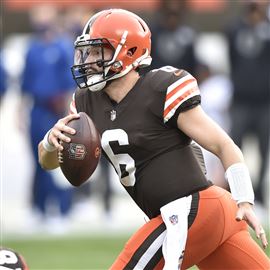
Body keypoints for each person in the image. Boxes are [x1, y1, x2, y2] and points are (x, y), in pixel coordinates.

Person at [38, 9, 269, 269]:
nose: (88, 60)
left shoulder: (160, 88)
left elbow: (223, 145)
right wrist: (50, 141)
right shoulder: (84, 102)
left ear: (128, 52)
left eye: (97, 51)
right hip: (185, 216)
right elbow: (47, 162)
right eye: (86, 51)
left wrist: (245, 199)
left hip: (194, 209)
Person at [21, 5, 75, 230]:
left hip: (56, 110)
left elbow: (68, 82)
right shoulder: (32, 48)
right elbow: (26, 83)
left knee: (60, 159)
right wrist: (20, 112)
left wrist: (67, 112)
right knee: (38, 158)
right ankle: (39, 208)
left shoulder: (62, 46)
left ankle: (62, 210)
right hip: (37, 108)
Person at [225, 1, 270, 206]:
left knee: (263, 149)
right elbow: (232, 59)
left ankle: (260, 194)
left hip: (264, 102)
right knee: (234, 147)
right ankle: (235, 192)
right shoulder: (235, 31)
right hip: (241, 100)